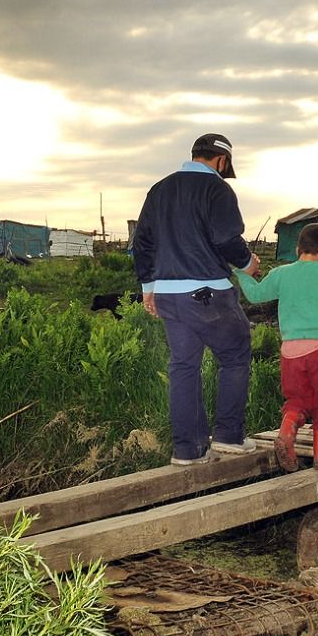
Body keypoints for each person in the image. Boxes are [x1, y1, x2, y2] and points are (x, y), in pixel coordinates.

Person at [132, 134, 261, 466]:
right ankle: (229, 438)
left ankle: (188, 450)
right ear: (222, 161)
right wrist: (248, 264)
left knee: (183, 367)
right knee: (234, 354)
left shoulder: (159, 189)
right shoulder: (217, 189)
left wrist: (149, 288)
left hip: (169, 296)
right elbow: (227, 239)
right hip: (208, 293)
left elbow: (143, 242)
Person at [235, 223, 318, 471]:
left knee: (297, 399)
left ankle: (288, 430)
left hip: (290, 351)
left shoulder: (281, 274)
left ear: (298, 248)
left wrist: (241, 272)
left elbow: (255, 295)